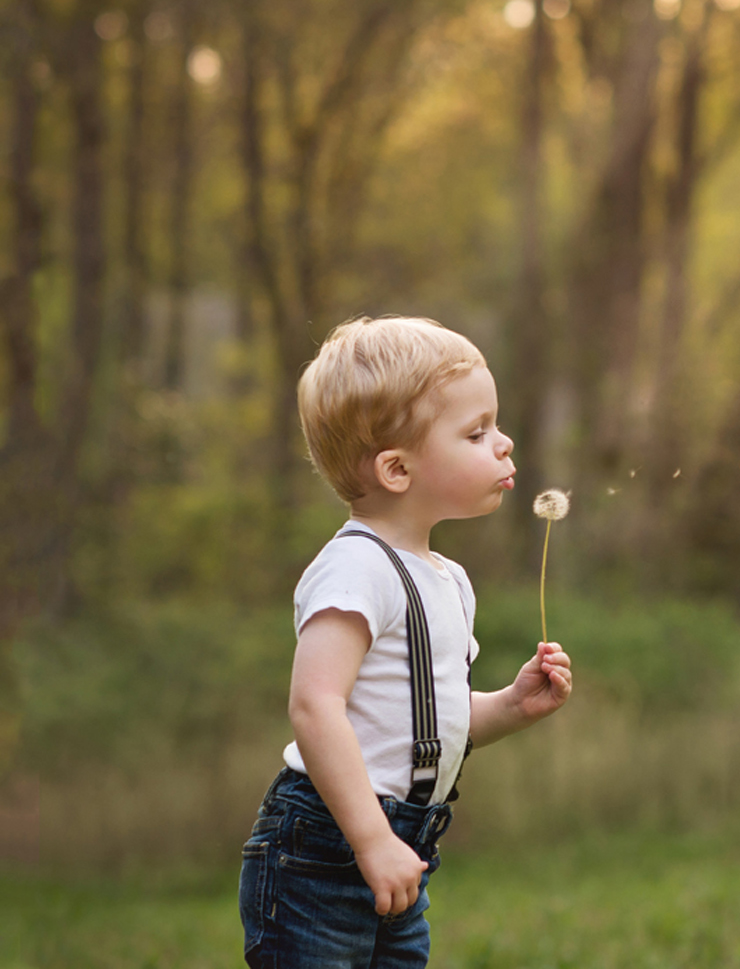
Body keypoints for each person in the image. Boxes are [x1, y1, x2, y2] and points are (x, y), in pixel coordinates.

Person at [239, 315, 572, 968]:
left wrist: (509, 705)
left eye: (495, 426)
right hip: (323, 844)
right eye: (476, 432)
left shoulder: (448, 579)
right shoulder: (354, 569)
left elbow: (424, 720)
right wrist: (369, 838)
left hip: (402, 844)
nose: (503, 444)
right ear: (396, 468)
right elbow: (315, 706)